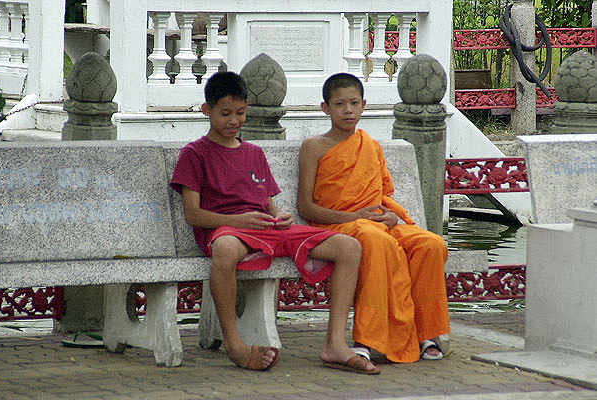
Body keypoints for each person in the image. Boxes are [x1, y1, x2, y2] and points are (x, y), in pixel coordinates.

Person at [170, 71, 379, 374]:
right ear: (207, 111)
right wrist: (237, 220)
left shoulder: (254, 153)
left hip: (266, 229)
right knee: (225, 248)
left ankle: (335, 343)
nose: (234, 121)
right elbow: (194, 214)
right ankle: (234, 343)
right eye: (225, 113)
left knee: (348, 246)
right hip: (227, 230)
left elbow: (268, 204)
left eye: (240, 113)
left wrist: (281, 215)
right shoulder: (195, 154)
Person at [297, 72, 450, 364]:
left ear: (364, 105)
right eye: (340, 104)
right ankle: (366, 338)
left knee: (430, 244)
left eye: (354, 103)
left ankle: (424, 333)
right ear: (325, 108)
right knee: (375, 240)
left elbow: (380, 196)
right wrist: (354, 215)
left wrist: (390, 216)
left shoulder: (370, 145)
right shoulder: (314, 147)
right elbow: (306, 207)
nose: (348, 110)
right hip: (335, 225)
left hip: (373, 221)